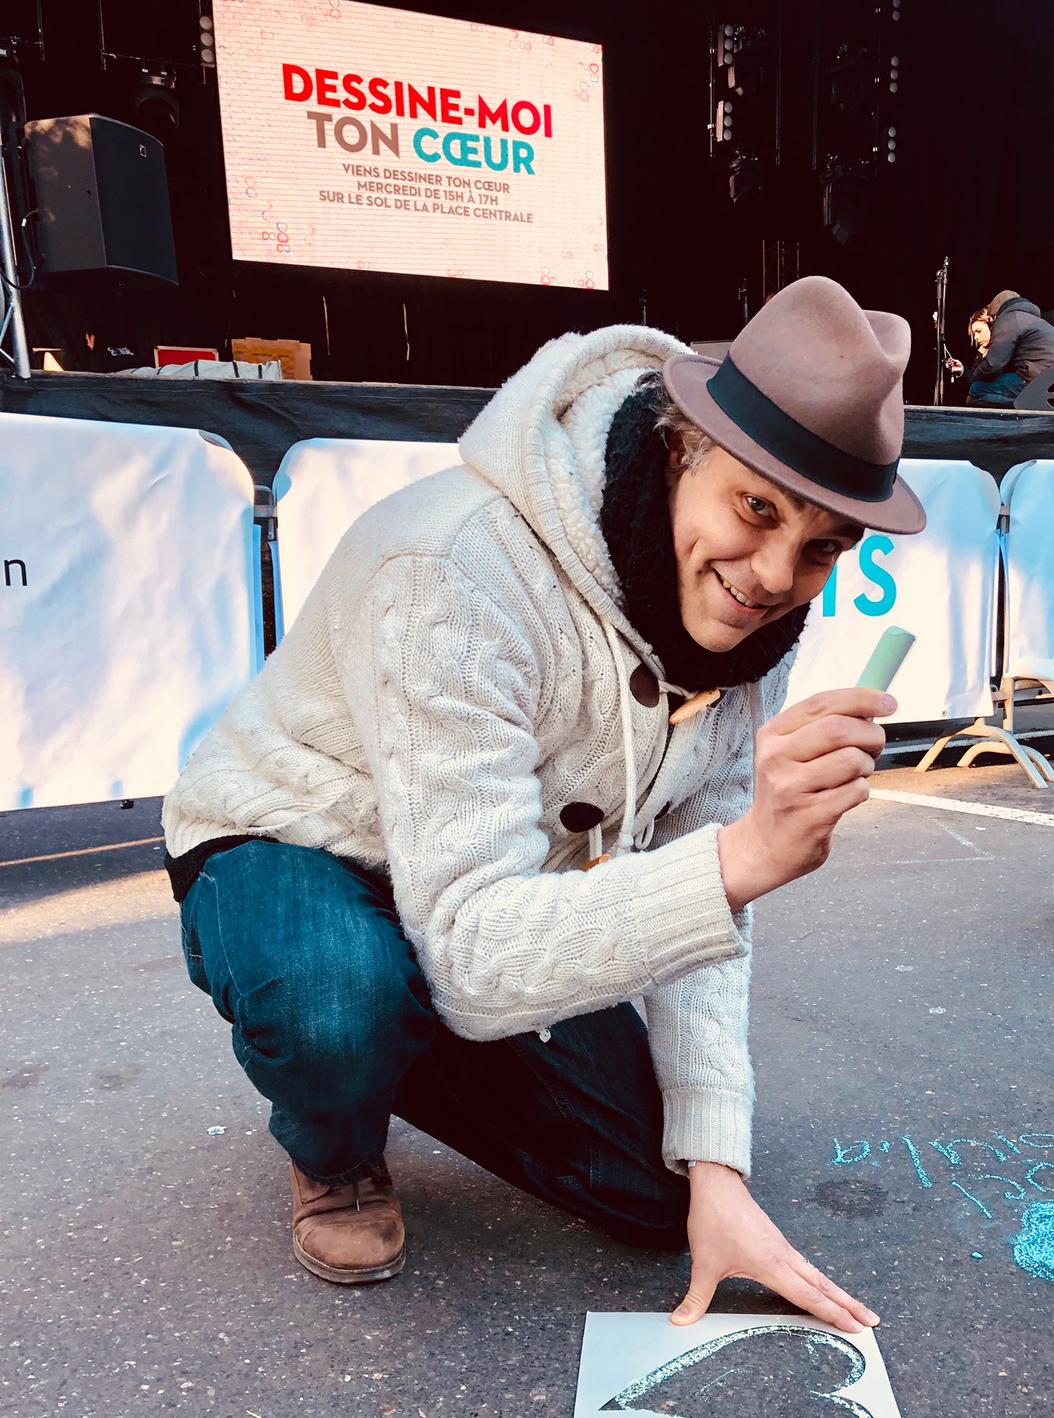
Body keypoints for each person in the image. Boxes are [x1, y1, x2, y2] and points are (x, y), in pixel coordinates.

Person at [162, 276, 926, 1331]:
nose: (769, 575)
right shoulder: (454, 567)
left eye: (821, 547)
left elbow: (702, 922)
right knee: (337, 994)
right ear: (677, 448)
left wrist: (717, 1165)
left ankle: (390, 1028)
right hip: (297, 843)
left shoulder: (752, 636)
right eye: (755, 510)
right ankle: (333, 1139)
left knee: (656, 1195)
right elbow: (487, 959)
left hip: (485, 883)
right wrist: (741, 858)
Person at [958, 290, 1054, 407]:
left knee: (976, 390)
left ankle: (1030, 405)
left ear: (996, 313)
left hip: (1037, 379)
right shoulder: (1034, 320)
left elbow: (993, 364)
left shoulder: (1008, 320)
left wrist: (973, 378)